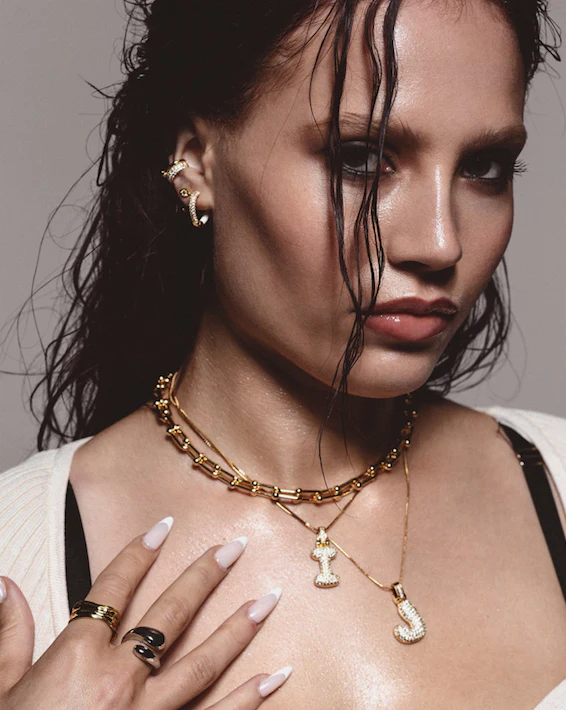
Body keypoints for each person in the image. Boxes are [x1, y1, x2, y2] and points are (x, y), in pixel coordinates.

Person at [0, 0, 565, 707]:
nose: (439, 242)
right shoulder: (18, 560)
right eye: (361, 159)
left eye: (483, 168)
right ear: (195, 162)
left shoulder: (556, 480)